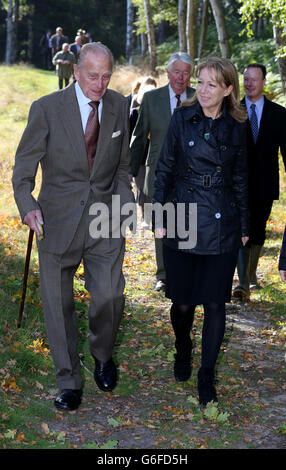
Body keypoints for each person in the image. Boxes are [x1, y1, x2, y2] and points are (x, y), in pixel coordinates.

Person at [12, 42, 134, 412]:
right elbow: (22, 171)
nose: (100, 84)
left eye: (107, 76)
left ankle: (102, 354)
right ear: (76, 70)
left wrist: (125, 205)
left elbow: (123, 166)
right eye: (93, 76)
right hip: (56, 222)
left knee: (110, 296)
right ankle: (68, 379)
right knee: (57, 304)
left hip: (104, 220)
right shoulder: (46, 109)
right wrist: (28, 206)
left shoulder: (119, 107)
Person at [152, 57, 249, 407]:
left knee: (215, 303)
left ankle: (206, 374)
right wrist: (159, 214)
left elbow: (240, 178)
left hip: (222, 223)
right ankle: (183, 346)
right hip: (183, 216)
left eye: (212, 84)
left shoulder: (237, 126)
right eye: (201, 82)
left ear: (227, 89)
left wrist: (245, 225)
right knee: (181, 303)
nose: (203, 90)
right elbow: (164, 169)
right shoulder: (182, 119)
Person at [130, 52, 195, 291]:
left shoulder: (199, 98)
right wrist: (129, 169)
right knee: (161, 223)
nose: (181, 77)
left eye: (186, 72)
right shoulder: (152, 99)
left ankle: (185, 270)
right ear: (167, 73)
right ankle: (164, 274)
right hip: (157, 171)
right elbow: (139, 136)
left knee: (187, 222)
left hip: (190, 174)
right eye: (177, 71)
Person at [233, 63, 286, 301]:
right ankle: (242, 283)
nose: (249, 84)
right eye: (246, 79)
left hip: (265, 183)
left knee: (258, 230)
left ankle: (251, 274)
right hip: (239, 183)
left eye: (254, 79)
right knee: (240, 228)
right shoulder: (234, 111)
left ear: (263, 81)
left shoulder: (279, 114)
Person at [130, 80, 157, 227]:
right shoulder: (135, 113)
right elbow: (130, 136)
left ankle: (151, 216)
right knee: (141, 185)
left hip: (155, 157)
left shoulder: (162, 114)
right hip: (140, 157)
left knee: (152, 187)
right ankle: (144, 215)